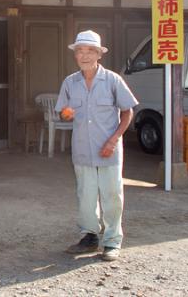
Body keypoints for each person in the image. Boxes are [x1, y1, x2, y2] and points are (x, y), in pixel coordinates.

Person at [56, 30, 138, 262]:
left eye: (90, 51)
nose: (84, 55)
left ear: (99, 54)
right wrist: (66, 114)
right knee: (86, 196)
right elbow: (63, 114)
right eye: (80, 51)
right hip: (82, 150)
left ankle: (112, 241)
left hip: (109, 149)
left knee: (112, 195)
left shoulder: (112, 80)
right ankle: (89, 237)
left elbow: (127, 111)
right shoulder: (70, 83)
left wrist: (113, 140)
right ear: (76, 55)